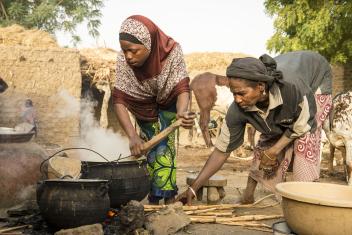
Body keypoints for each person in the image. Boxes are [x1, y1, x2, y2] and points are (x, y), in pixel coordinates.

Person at [177, 51, 332, 205]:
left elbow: (304, 123)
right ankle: (248, 196)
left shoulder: (292, 91)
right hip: (288, 81)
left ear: (260, 86)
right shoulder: (237, 110)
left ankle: (304, 200)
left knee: (305, 141)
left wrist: (274, 150)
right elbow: (221, 150)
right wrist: (193, 188)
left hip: (314, 78)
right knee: (268, 133)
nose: (237, 100)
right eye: (233, 94)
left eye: (242, 93)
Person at [113, 15, 195, 205]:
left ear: (149, 44)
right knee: (149, 150)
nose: (128, 56)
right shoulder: (122, 60)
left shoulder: (173, 51)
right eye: (124, 50)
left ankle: (167, 198)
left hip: (170, 103)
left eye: (133, 51)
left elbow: (182, 86)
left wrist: (182, 111)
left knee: (165, 149)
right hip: (143, 106)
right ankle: (155, 196)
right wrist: (132, 136)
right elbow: (119, 99)